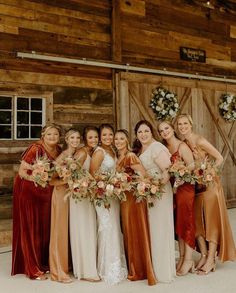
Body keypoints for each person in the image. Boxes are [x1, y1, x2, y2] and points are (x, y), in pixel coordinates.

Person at [176, 113, 236, 275]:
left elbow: (219, 158)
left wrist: (208, 173)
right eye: (179, 124)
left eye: (185, 123)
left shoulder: (199, 140)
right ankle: (203, 254)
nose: (182, 127)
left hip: (210, 185)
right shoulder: (183, 143)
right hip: (196, 187)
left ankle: (211, 259)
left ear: (191, 123)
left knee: (211, 221)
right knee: (197, 222)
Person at [11, 124, 62, 280]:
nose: (52, 137)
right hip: (29, 191)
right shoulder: (35, 148)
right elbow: (22, 172)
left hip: (46, 193)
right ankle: (32, 268)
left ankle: (43, 263)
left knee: (45, 227)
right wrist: (36, 178)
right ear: (43, 135)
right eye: (49, 134)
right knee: (31, 228)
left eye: (55, 134)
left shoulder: (59, 151)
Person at [133, 120, 176, 283]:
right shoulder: (141, 149)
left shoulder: (156, 148)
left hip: (160, 193)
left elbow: (167, 171)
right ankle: (154, 267)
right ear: (136, 135)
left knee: (160, 229)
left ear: (152, 132)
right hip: (149, 192)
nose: (143, 134)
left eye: (146, 131)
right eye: (140, 132)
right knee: (153, 229)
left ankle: (162, 271)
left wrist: (156, 186)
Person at [115, 129, 157, 286]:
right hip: (124, 199)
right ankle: (133, 264)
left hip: (133, 198)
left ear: (127, 140)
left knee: (134, 230)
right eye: (116, 139)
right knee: (128, 230)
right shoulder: (119, 156)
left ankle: (139, 269)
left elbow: (144, 176)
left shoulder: (130, 156)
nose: (118, 141)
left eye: (121, 139)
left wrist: (129, 183)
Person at [90, 124, 127, 285]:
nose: (107, 138)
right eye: (104, 135)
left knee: (115, 229)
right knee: (107, 229)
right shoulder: (99, 152)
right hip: (103, 196)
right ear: (100, 136)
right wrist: (103, 192)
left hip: (113, 195)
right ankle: (107, 268)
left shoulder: (113, 150)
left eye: (110, 134)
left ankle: (117, 264)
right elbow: (92, 175)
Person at [158, 121, 195, 276]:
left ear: (173, 129)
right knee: (178, 222)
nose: (165, 131)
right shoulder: (164, 148)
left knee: (186, 222)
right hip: (172, 189)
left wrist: (182, 172)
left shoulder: (182, 146)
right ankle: (181, 257)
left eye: (167, 128)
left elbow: (192, 164)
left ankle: (189, 260)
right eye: (161, 130)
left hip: (185, 188)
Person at [49, 129, 81, 283]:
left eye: (77, 138)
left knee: (71, 231)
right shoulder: (62, 156)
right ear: (67, 140)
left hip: (73, 197)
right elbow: (51, 180)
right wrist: (66, 181)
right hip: (61, 195)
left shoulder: (79, 154)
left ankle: (69, 265)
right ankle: (58, 272)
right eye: (72, 138)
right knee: (59, 231)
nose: (75, 140)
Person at [70, 126, 100, 281]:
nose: (94, 140)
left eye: (96, 137)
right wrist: (84, 184)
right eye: (90, 137)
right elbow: (72, 174)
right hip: (80, 196)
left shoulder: (91, 152)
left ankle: (87, 267)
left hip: (88, 196)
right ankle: (86, 271)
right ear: (85, 139)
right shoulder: (82, 152)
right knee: (84, 230)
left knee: (89, 229)